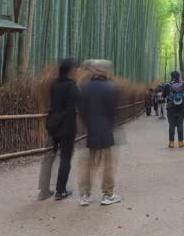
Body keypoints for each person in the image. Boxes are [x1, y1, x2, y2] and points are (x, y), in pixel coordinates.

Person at [77, 60, 122, 206]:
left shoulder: (84, 88)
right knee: (108, 164)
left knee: (87, 164)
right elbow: (113, 111)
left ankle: (84, 195)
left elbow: (81, 111)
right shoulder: (111, 88)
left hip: (91, 130)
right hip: (106, 130)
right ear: (104, 72)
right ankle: (107, 195)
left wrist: (89, 124)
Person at [38, 58, 79, 200]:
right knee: (65, 158)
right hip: (67, 127)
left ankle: (43, 189)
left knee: (49, 157)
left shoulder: (54, 85)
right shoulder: (72, 86)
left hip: (53, 125)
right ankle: (60, 190)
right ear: (70, 71)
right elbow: (77, 102)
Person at [163, 71, 184, 148]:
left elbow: (163, 95)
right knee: (180, 125)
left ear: (172, 77)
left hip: (171, 108)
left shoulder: (168, 85)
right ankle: (180, 142)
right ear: (179, 76)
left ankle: (171, 143)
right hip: (181, 108)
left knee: (171, 125)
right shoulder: (183, 84)